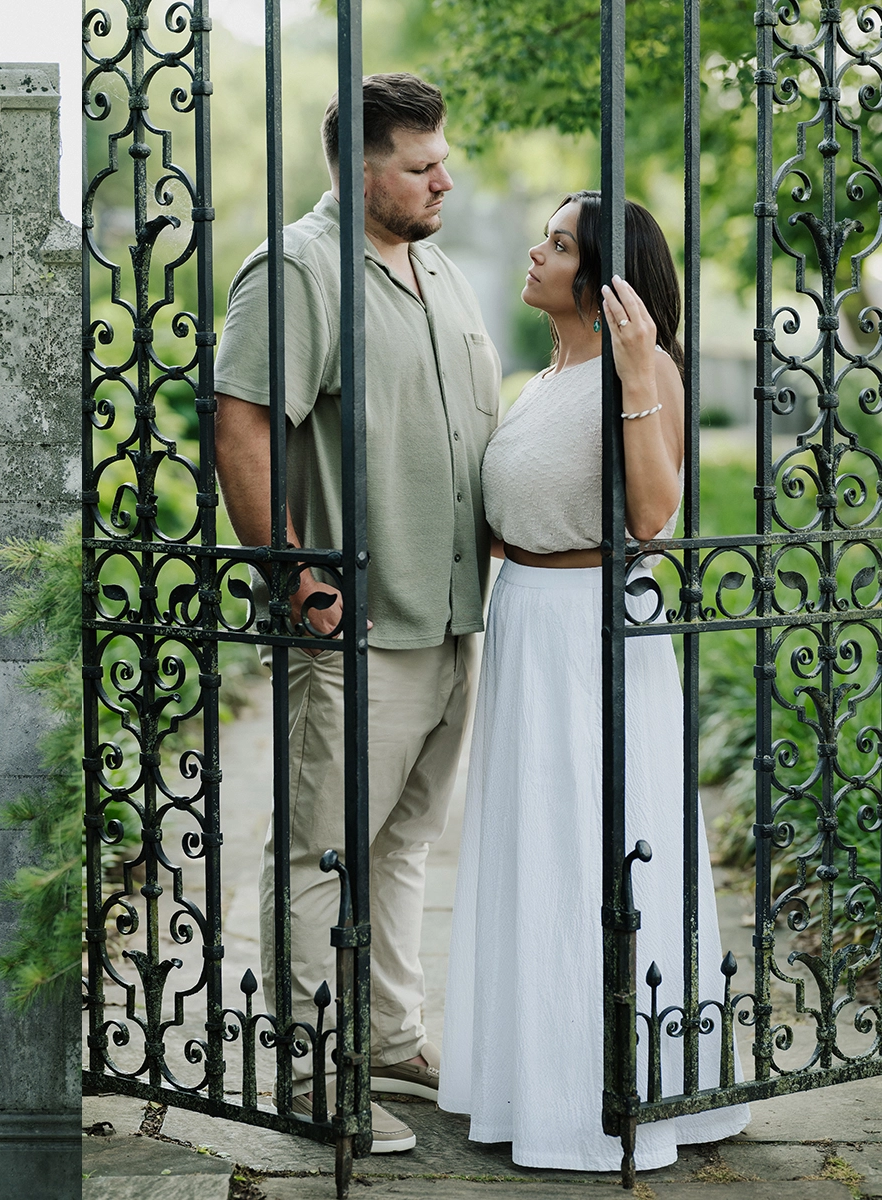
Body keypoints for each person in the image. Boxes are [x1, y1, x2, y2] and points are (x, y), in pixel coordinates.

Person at [210, 71, 502, 1153]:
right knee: (322, 851)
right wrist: (295, 575)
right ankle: (305, 1070)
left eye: (442, 161)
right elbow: (241, 422)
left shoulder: (440, 273)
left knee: (406, 844)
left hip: (455, 614)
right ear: (360, 166)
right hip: (360, 624)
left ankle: (385, 1038)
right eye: (423, 167)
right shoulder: (297, 271)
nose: (444, 180)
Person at [438, 193, 749, 1168]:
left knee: (594, 848)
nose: (537, 251)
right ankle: (529, 1076)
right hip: (528, 623)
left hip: (595, 632)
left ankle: (606, 1094)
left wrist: (634, 372)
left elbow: (653, 514)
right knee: (537, 848)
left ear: (601, 275)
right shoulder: (547, 371)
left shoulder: (639, 366)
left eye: (559, 242)